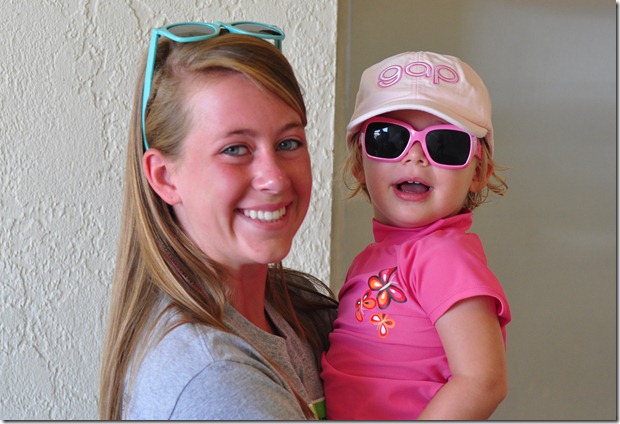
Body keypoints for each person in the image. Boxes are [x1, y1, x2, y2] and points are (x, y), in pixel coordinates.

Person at [98, 21, 337, 420]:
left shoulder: (298, 307)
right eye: (235, 149)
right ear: (164, 177)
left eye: (288, 143)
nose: (275, 178)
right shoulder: (215, 378)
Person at [321, 51, 512, 420]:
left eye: (445, 144)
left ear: (478, 172)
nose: (416, 157)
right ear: (359, 163)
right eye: (388, 139)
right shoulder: (371, 259)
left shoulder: (443, 256)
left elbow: (483, 381)